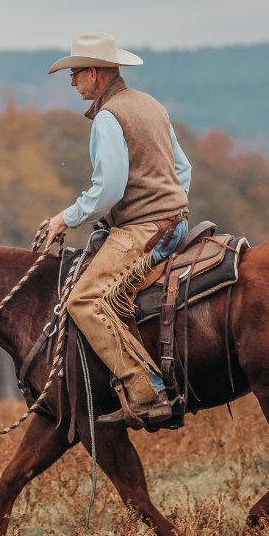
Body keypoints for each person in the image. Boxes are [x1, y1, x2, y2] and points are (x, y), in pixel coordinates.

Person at [41, 32, 194, 430]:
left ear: (94, 73)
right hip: (174, 222)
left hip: (143, 230)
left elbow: (108, 188)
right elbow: (183, 170)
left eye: (75, 73)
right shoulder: (150, 105)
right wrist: (170, 205)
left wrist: (65, 218)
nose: (72, 82)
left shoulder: (109, 117)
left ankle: (147, 391)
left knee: (84, 301)